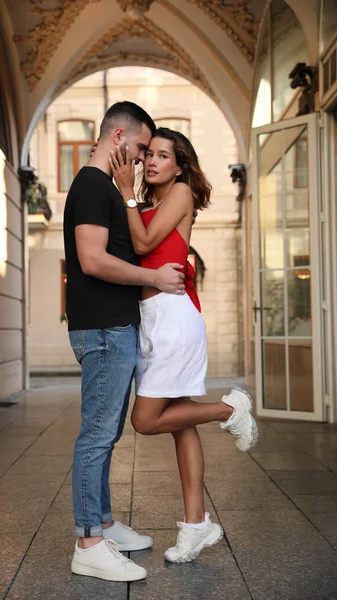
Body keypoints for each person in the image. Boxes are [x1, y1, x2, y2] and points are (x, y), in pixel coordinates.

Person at [109, 127, 258, 564]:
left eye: (162, 155)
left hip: (174, 320)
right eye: (148, 155)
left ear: (179, 164)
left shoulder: (180, 193)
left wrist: (125, 193)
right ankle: (197, 525)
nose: (152, 161)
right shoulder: (153, 202)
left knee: (145, 419)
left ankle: (228, 410)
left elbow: (143, 244)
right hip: (152, 321)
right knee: (178, 423)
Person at [63, 102, 187, 582]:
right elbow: (93, 260)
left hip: (114, 326)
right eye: (138, 149)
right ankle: (89, 542)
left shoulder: (106, 188)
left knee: (106, 434)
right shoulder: (91, 185)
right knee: (96, 435)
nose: (140, 161)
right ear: (117, 137)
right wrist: (152, 276)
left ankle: (105, 525)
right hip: (102, 330)